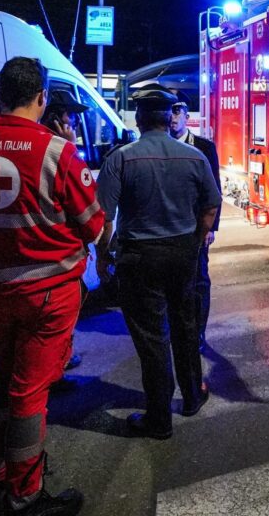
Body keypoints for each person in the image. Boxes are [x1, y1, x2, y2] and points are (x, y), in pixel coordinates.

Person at [0, 57, 103, 516]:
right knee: (30, 392)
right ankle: (25, 496)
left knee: (1, 379)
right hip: (48, 294)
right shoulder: (57, 152)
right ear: (41, 98)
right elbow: (93, 224)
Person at [98, 86, 220, 439]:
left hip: (139, 258)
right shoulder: (194, 157)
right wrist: (196, 240)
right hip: (182, 254)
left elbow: (104, 215)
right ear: (170, 118)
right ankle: (193, 396)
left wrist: (104, 255)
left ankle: (159, 418)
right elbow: (210, 205)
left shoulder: (121, 158)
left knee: (152, 337)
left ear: (138, 119)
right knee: (185, 326)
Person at [42, 89, 92, 377]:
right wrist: (70, 148)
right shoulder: (61, 154)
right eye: (69, 119)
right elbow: (91, 217)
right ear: (55, 121)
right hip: (56, 265)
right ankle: (56, 369)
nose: (73, 125)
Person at [167, 92, 222, 352]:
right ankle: (178, 328)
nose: (173, 116)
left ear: (188, 117)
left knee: (200, 279)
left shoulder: (204, 147)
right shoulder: (162, 146)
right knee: (175, 280)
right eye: (170, 111)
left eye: (178, 111)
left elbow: (215, 190)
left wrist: (211, 227)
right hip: (171, 226)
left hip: (198, 226)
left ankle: (198, 332)